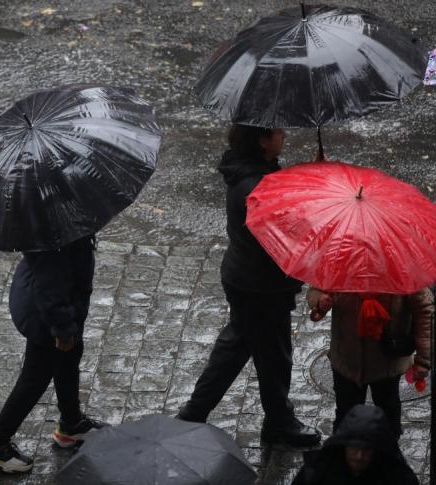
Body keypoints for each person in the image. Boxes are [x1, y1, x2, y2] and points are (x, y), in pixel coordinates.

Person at [176, 124, 321, 447]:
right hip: (262, 287)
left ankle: (196, 413)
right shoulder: (256, 188)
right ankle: (278, 423)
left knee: (239, 345)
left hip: (247, 278)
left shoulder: (251, 172)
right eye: (279, 133)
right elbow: (284, 234)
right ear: (263, 141)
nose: (285, 136)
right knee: (273, 356)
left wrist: (311, 173)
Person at [0, 235, 108, 474]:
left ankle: (71, 424)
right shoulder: (57, 231)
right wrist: (63, 329)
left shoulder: (61, 217)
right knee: (34, 379)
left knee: (68, 360)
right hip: (48, 316)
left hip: (62, 308)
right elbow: (51, 286)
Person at [308, 287, 432, 437]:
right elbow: (315, 290)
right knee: (345, 415)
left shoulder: (403, 272)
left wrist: (423, 359)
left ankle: (388, 452)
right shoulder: (339, 266)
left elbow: (425, 311)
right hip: (346, 361)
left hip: (388, 364)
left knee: (388, 412)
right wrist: (320, 302)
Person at [291, 404, 419, 485]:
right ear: (344, 446)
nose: (359, 456)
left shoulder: (398, 477)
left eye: (366, 449)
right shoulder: (318, 472)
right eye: (354, 448)